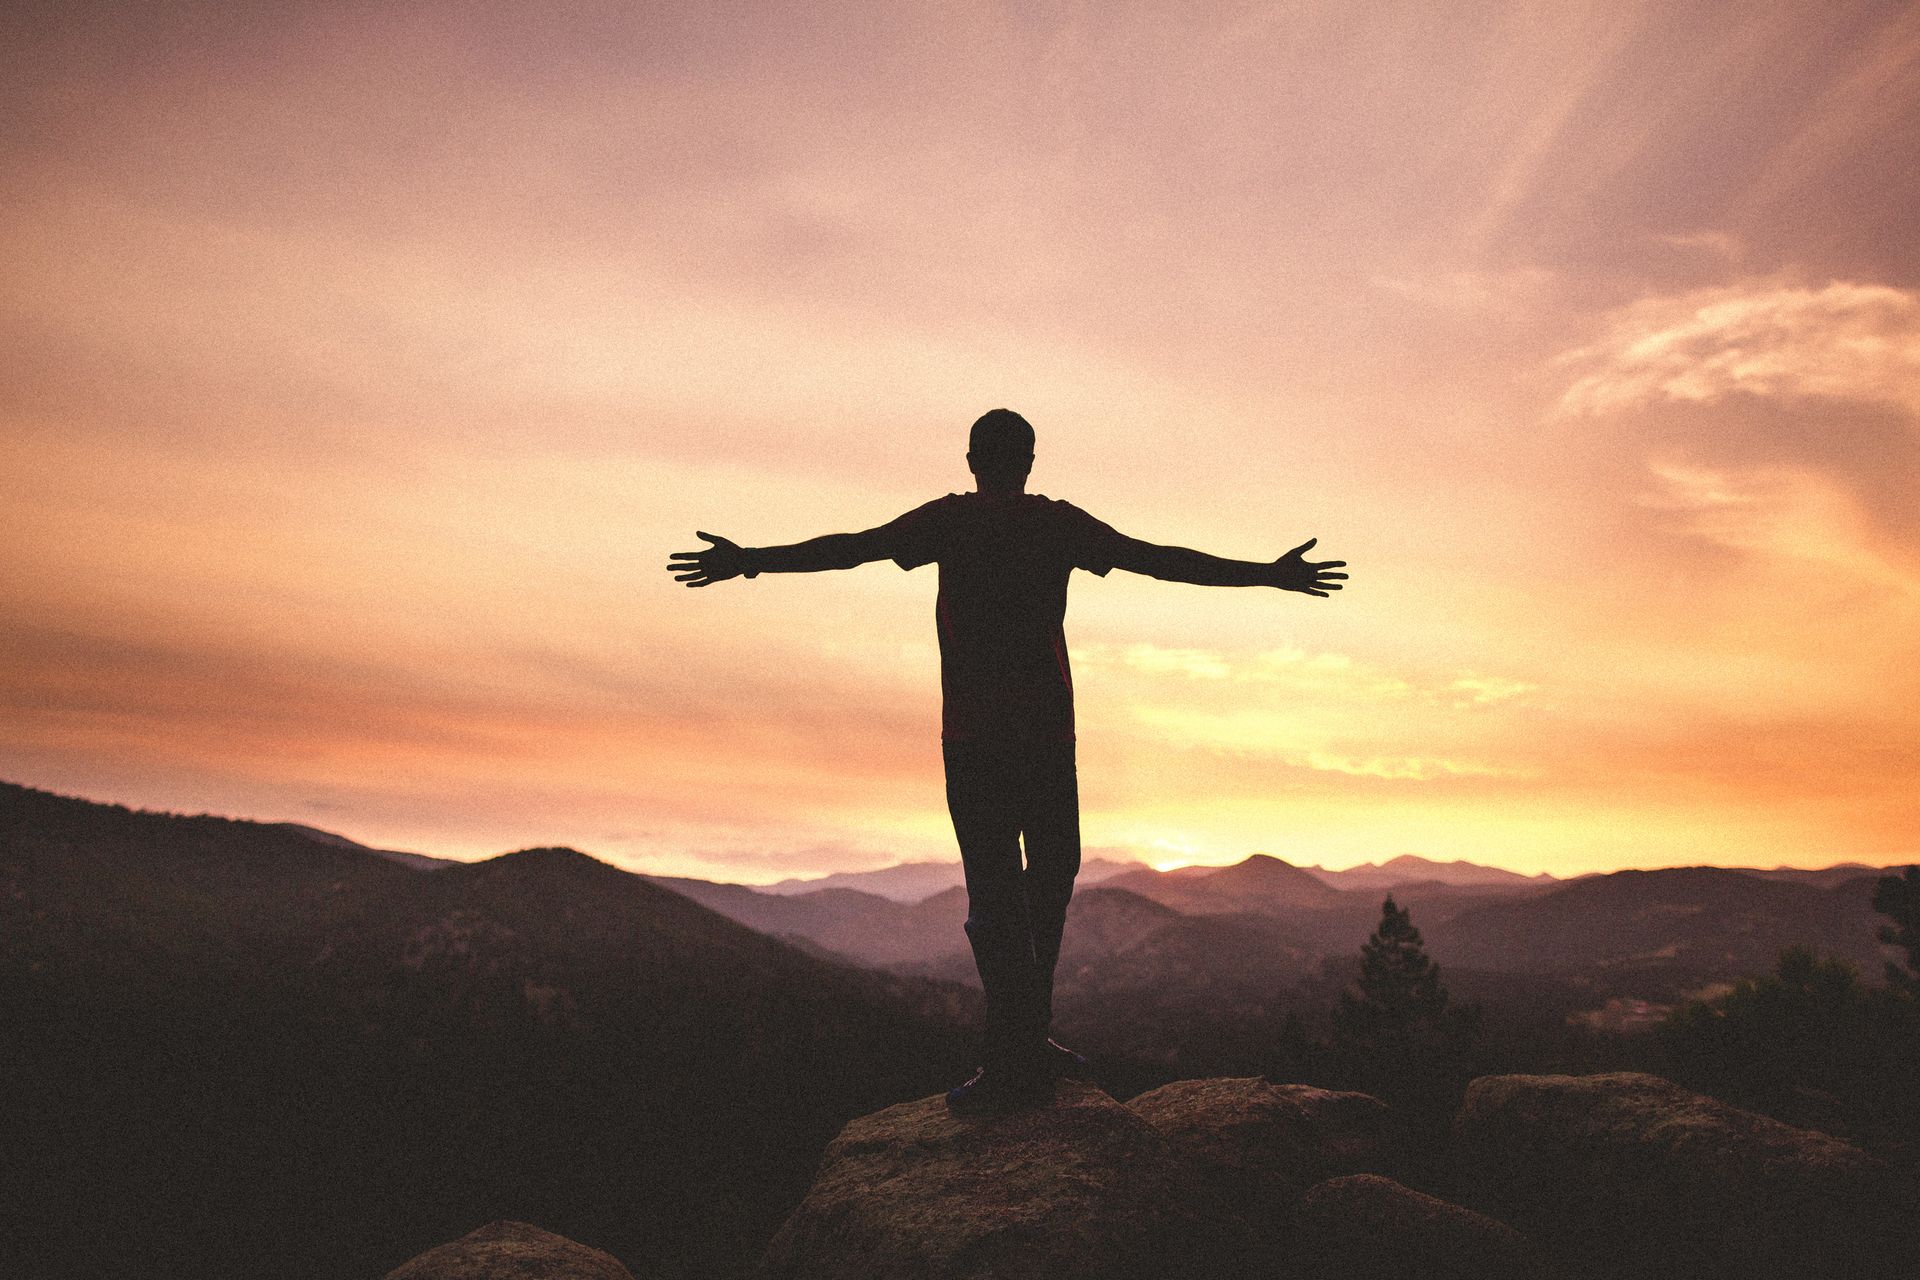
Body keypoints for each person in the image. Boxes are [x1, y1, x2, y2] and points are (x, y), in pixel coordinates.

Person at [667, 409, 1347, 1113]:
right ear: (1027, 460)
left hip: (974, 743)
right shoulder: (1054, 524)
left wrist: (748, 560)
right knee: (1044, 889)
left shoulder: (951, 521)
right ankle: (1016, 1049)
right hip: (1047, 742)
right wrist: (1267, 575)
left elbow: (851, 547)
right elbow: (1161, 559)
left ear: (971, 459)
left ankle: (1018, 1046)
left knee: (999, 897)